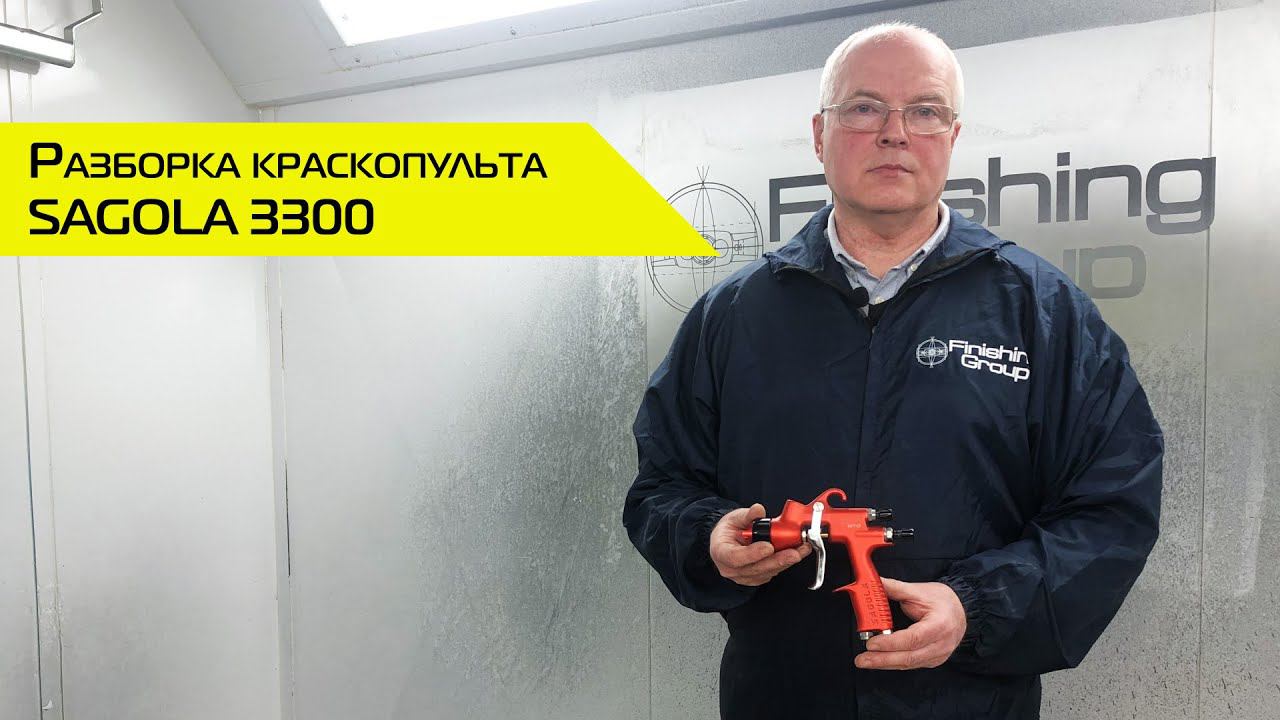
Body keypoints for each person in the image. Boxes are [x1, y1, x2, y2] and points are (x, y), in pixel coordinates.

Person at [621, 21, 1163, 720]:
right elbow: (662, 485)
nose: (894, 133)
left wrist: (975, 606)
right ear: (820, 134)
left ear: (952, 137)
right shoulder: (733, 315)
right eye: (863, 107)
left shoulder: (1043, 313)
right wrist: (708, 539)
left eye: (925, 111)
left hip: (969, 704)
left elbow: (1112, 507)